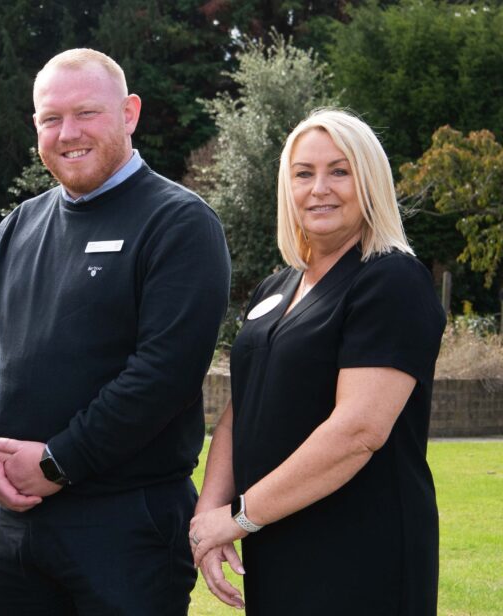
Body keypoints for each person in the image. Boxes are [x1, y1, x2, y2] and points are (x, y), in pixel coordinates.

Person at [0, 48, 231, 614]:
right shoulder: (20, 224)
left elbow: (163, 375)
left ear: (129, 113)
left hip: (128, 527)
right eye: (50, 119)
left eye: (86, 113)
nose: (67, 133)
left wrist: (59, 462)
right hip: (17, 527)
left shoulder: (178, 223)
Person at [190, 108, 446, 615]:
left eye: (339, 171)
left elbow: (359, 430)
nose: (319, 188)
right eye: (303, 173)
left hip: (360, 550)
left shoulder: (391, 280)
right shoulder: (275, 288)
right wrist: (210, 513)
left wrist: (239, 516)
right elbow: (244, 406)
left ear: (369, 180)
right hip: (277, 537)